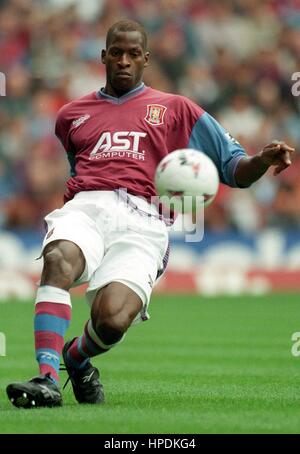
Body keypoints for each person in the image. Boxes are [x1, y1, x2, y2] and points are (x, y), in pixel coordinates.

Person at [6, 20, 294, 408]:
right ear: (103, 56)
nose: (123, 61)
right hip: (87, 206)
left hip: (144, 221)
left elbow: (233, 169)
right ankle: (47, 377)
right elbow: (79, 169)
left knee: (112, 319)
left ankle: (76, 358)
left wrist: (261, 159)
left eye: (132, 54)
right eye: (116, 53)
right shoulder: (71, 115)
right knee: (58, 259)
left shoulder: (177, 109)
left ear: (146, 59)